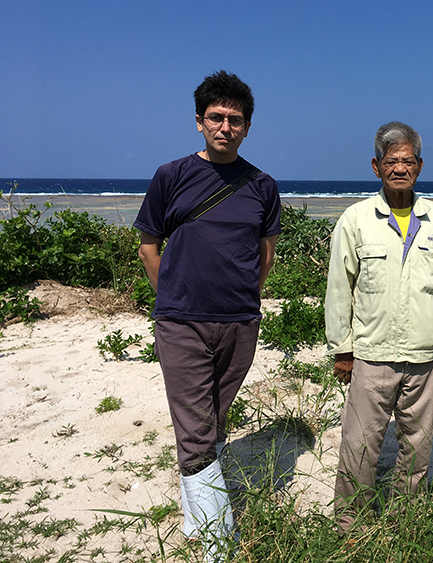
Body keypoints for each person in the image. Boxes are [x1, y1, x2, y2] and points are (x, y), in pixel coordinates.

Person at [134, 70, 281, 561]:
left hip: (241, 323)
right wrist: (172, 297)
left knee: (211, 424)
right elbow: (148, 247)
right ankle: (219, 545)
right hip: (181, 323)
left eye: (235, 119)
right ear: (199, 122)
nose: (225, 126)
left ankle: (197, 518)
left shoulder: (262, 185)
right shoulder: (171, 175)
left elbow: (265, 254)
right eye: (216, 117)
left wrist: (242, 297)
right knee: (198, 431)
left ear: (247, 127)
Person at [325, 121, 433, 534]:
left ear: (420, 166)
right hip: (372, 354)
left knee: (416, 446)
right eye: (391, 161)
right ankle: (349, 525)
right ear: (376, 166)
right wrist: (342, 348)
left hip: (427, 355)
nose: (400, 169)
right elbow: (339, 288)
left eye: (408, 161)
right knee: (359, 445)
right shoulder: (355, 220)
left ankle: (403, 523)